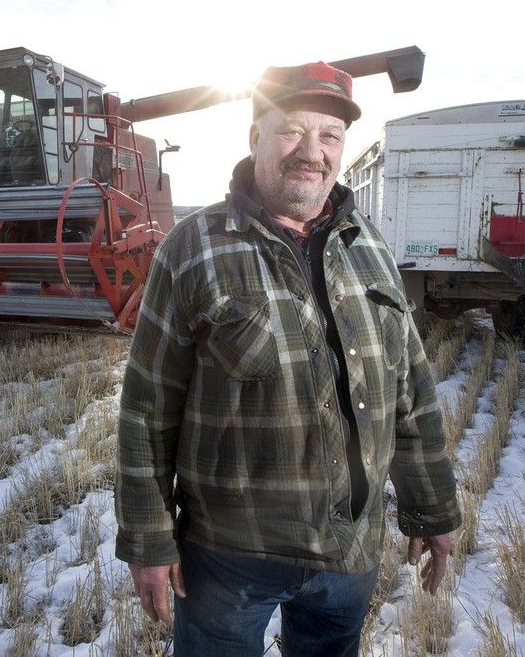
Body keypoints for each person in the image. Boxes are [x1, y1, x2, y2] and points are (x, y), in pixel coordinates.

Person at [115, 59, 461, 656]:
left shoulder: (369, 247)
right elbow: (146, 410)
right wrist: (148, 539)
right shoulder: (193, 249)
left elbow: (410, 391)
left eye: (330, 135)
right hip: (229, 559)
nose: (312, 152)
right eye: (291, 131)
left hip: (350, 553)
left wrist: (432, 507)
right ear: (256, 138)